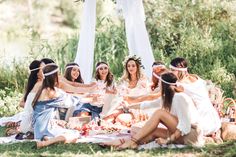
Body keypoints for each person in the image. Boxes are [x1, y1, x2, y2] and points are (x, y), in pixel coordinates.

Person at [106, 72, 204, 148]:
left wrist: (168, 140)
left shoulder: (180, 98)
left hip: (191, 135)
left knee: (160, 113)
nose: (158, 86)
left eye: (160, 83)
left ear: (164, 85)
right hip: (179, 134)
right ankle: (123, 143)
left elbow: (185, 126)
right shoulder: (166, 99)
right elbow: (146, 105)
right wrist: (127, 107)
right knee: (140, 130)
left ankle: (131, 141)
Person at [32, 64, 82, 148]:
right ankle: (45, 143)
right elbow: (70, 101)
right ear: (54, 76)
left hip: (39, 129)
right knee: (75, 134)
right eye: (58, 74)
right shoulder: (51, 91)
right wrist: (89, 98)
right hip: (45, 128)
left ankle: (47, 139)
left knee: (68, 132)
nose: (59, 76)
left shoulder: (43, 89)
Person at [169, 57, 221, 136]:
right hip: (215, 120)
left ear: (179, 70)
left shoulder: (180, 85)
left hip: (203, 123)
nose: (170, 72)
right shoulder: (196, 77)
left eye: (172, 70)